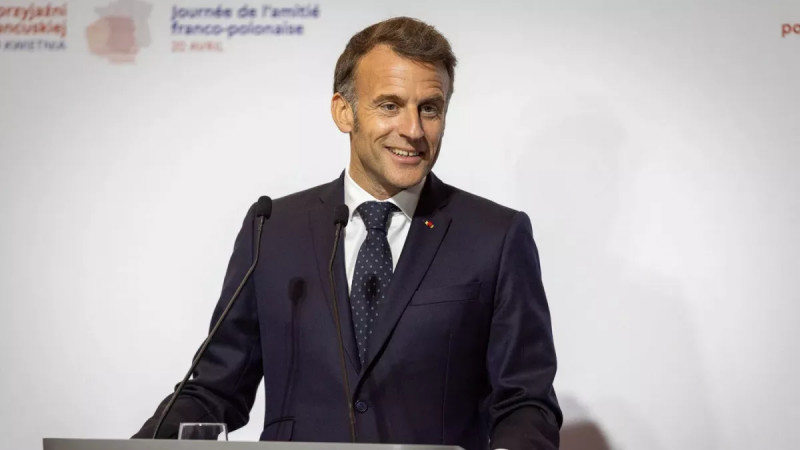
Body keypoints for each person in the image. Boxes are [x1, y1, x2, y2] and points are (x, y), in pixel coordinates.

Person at [134, 17, 562, 450]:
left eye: (429, 108)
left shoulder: (495, 236)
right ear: (344, 111)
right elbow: (215, 390)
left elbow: (525, 403)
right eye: (390, 105)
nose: (413, 130)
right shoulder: (272, 229)